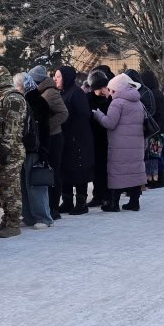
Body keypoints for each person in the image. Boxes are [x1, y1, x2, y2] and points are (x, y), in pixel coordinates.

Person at [93, 73, 147, 212]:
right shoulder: (138, 102)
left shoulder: (117, 103)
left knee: (117, 171)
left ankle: (114, 203)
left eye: (111, 90)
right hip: (136, 144)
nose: (110, 93)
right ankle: (134, 202)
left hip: (119, 145)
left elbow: (109, 123)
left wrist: (98, 115)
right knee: (134, 171)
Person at [0, 66, 26, 238]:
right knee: (3, 188)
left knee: (12, 189)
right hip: (3, 150)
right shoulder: (4, 98)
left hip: (11, 151)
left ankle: (14, 224)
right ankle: (7, 219)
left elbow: (12, 127)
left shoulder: (13, 98)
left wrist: (5, 148)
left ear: (0, 80)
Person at [28, 65, 68, 218]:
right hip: (47, 137)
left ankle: (54, 208)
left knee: (53, 172)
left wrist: (46, 125)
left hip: (54, 137)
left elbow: (63, 113)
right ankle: (49, 206)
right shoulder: (42, 92)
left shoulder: (50, 92)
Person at [56, 66, 95, 215]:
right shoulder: (62, 93)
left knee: (79, 170)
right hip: (66, 138)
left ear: (66, 77)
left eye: (58, 76)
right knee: (66, 170)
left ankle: (81, 203)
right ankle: (67, 201)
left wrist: (72, 131)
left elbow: (83, 115)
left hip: (78, 139)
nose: (55, 79)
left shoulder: (76, 93)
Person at [20, 73, 53, 229]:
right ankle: (29, 216)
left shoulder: (35, 101)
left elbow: (42, 128)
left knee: (36, 184)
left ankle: (43, 218)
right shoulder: (28, 100)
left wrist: (43, 149)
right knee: (25, 184)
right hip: (29, 148)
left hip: (36, 149)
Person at [137, 70, 164, 189]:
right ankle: (159, 179)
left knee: (154, 155)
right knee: (158, 154)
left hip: (155, 129)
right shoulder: (158, 93)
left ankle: (156, 180)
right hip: (162, 128)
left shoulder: (151, 94)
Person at [86, 70, 112, 206]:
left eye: (104, 87)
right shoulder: (88, 99)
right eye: (99, 88)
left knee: (107, 168)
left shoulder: (111, 98)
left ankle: (107, 195)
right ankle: (98, 195)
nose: (102, 91)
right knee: (97, 168)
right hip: (94, 138)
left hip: (109, 138)